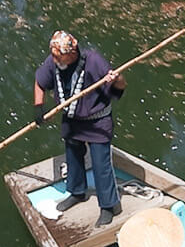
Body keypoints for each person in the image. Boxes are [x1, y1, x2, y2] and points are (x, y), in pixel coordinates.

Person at [34, 29, 125, 226]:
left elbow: (120, 85)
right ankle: (77, 192)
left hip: (97, 121)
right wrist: (38, 107)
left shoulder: (93, 61)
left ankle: (109, 206)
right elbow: (40, 81)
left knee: (101, 164)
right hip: (72, 119)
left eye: (60, 57)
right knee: (73, 156)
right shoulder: (54, 61)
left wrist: (116, 79)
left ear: (72, 53)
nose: (55, 60)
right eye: (54, 56)